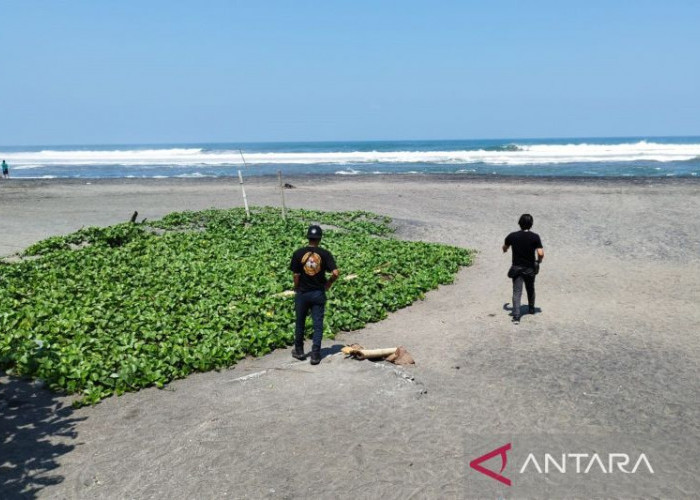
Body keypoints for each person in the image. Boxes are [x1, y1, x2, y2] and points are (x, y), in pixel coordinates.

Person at [290, 224, 339, 364]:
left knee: (300, 322)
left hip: (302, 293)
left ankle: (299, 351)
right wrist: (329, 283)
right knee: (317, 324)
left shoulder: (298, 253)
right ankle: (316, 354)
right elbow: (335, 273)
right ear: (320, 238)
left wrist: (296, 287)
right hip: (318, 293)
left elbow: (296, 274)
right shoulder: (325, 254)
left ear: (308, 237)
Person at [502, 213, 544, 324]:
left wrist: (505, 250)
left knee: (517, 291)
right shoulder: (535, 237)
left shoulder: (512, 236)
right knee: (530, 289)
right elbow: (540, 253)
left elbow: (505, 247)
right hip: (529, 268)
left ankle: (516, 317)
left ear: (519, 223)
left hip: (516, 268)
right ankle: (531, 309)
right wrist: (538, 261)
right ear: (531, 224)